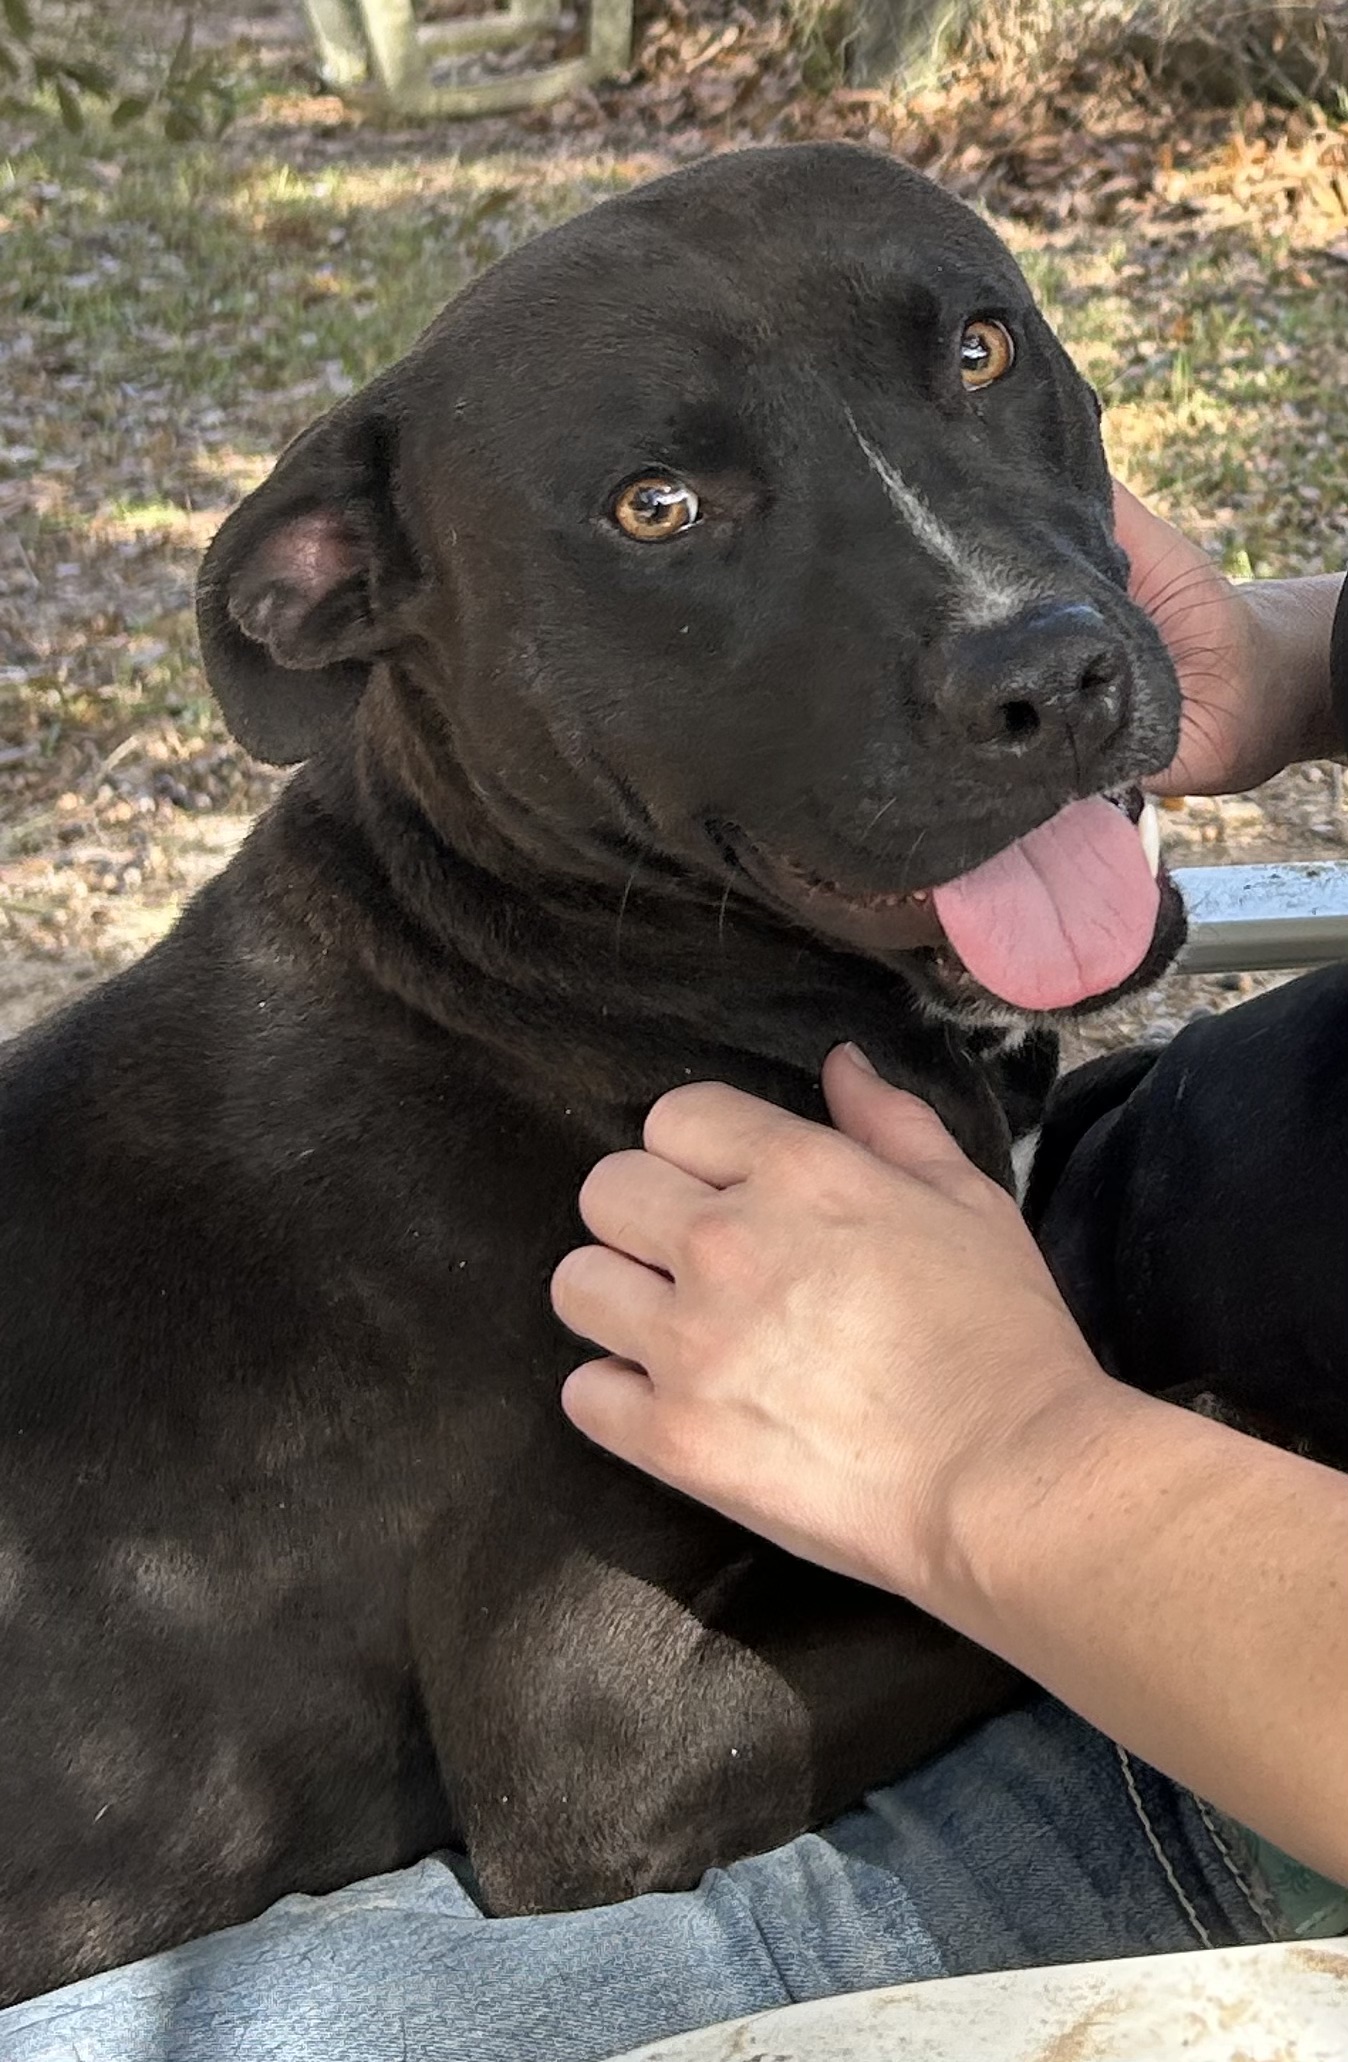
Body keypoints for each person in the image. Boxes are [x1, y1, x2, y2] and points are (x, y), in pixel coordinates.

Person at [4, 486, 1346, 2062]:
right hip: (1170, 1207)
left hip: (1218, 1741)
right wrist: (1291, 656)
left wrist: (1023, 1451)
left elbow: (599, 1801)